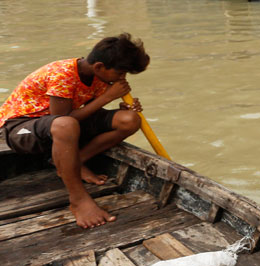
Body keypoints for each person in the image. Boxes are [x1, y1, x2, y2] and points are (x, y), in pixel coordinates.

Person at [0, 34, 149, 228]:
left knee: (129, 120)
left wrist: (121, 107)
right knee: (65, 125)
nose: (122, 79)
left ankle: (74, 162)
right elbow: (63, 119)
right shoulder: (63, 74)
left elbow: (85, 111)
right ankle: (78, 200)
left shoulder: (99, 77)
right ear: (99, 67)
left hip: (63, 124)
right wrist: (106, 98)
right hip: (21, 127)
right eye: (120, 73)